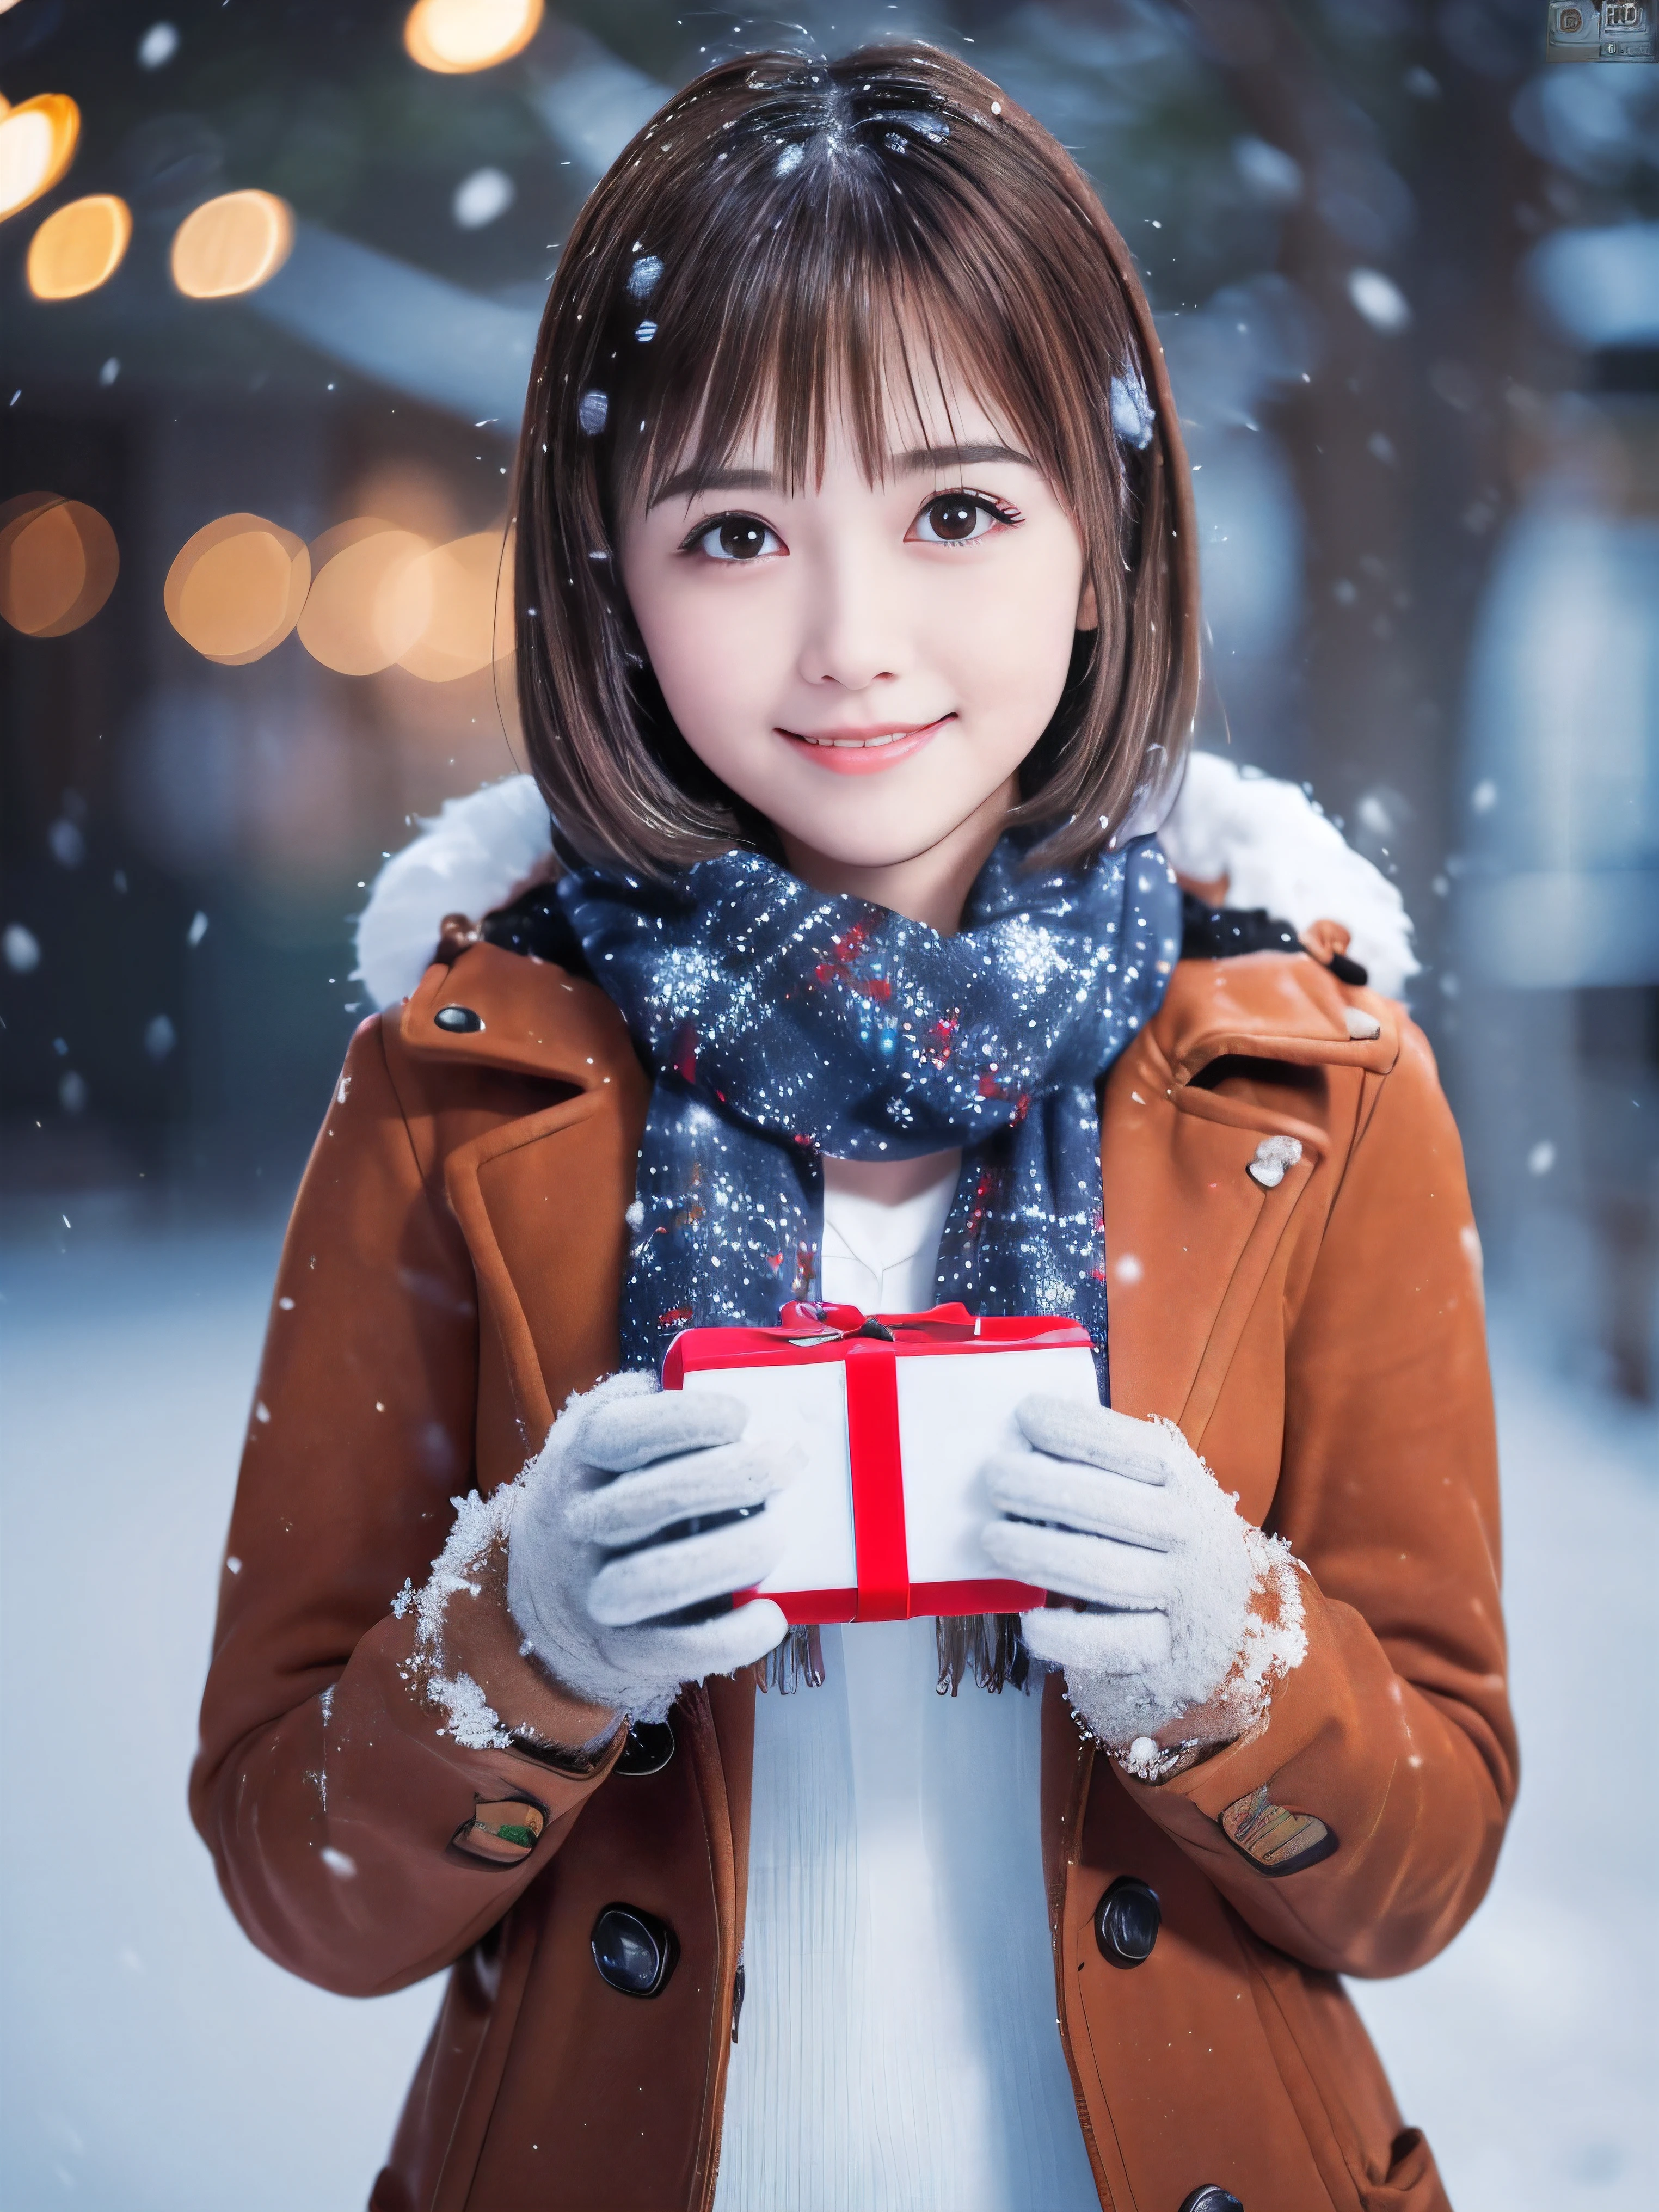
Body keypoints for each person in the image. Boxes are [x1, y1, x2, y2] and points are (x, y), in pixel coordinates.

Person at [192, 43, 1515, 2212]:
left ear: (1105, 543)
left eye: (958, 510)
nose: (852, 639)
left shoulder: (1310, 1074)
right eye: (735, 528)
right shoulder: (460, 1078)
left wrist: (1228, 1647)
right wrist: (522, 1635)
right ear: (612, 579)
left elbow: (1425, 1863)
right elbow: (293, 1870)